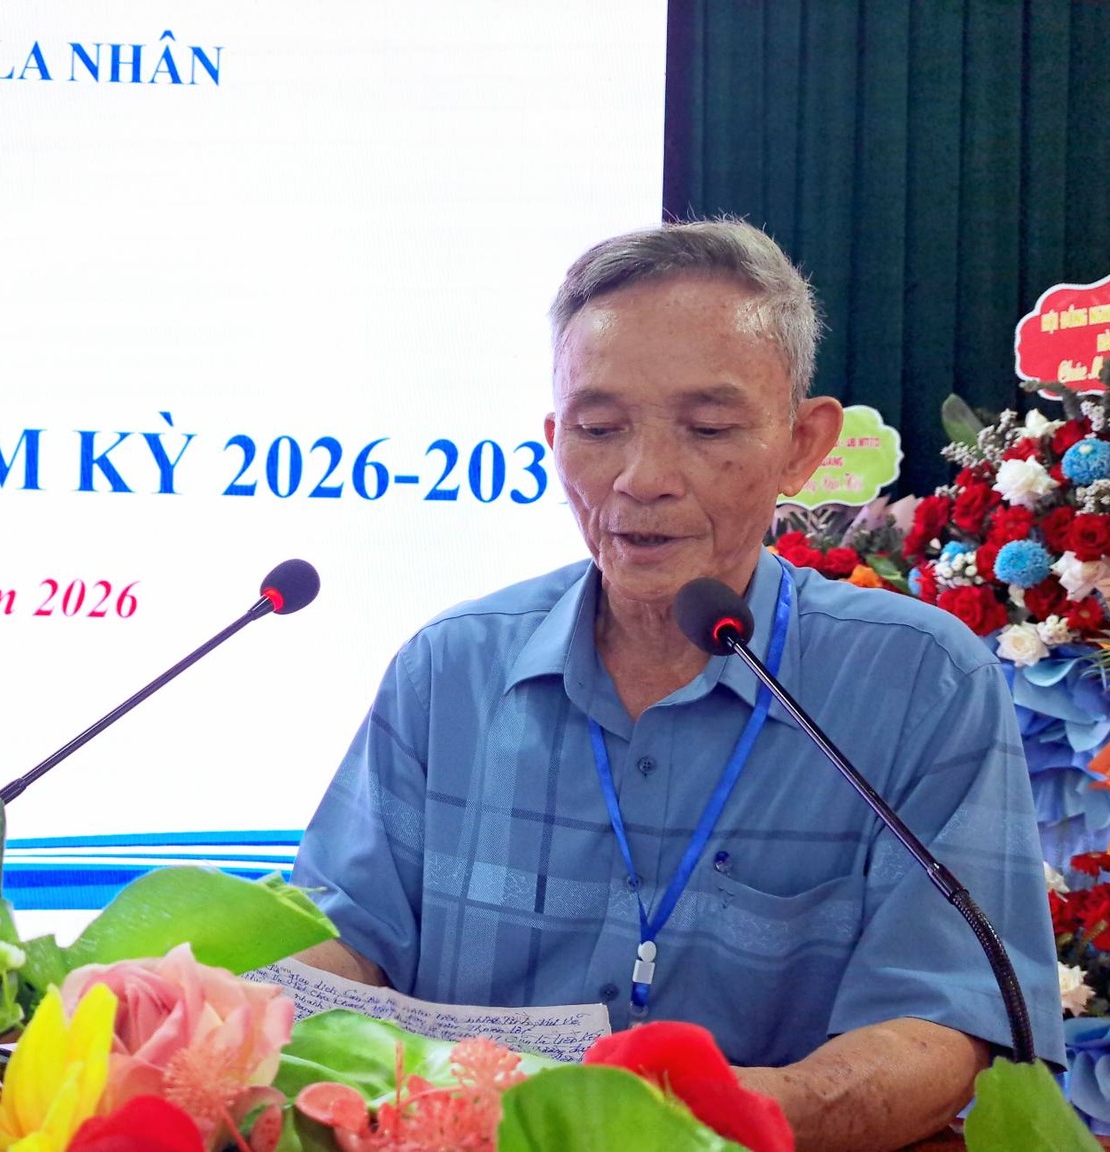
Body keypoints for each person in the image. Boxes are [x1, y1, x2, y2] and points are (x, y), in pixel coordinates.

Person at [289, 219, 1063, 1151]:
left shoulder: (917, 681)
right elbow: (349, 943)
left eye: (708, 428)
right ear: (554, 440)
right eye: (598, 429)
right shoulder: (450, 667)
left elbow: (945, 1024)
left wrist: (705, 1121)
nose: (642, 479)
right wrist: (222, 1018)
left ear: (802, 445)